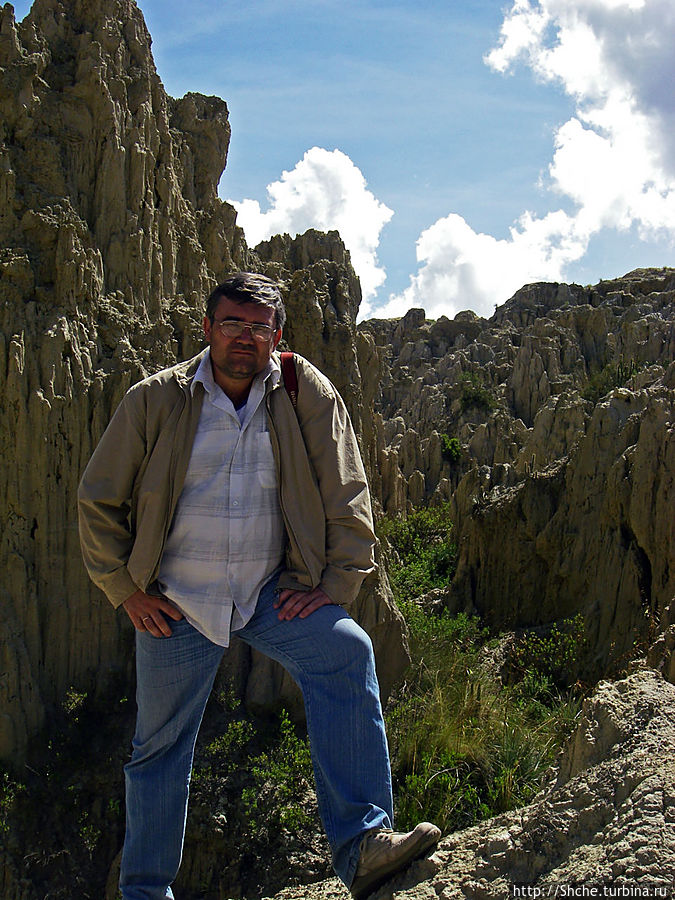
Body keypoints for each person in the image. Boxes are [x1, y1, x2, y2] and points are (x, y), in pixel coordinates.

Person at [78, 272, 440, 900]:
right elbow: (97, 500)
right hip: (177, 602)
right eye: (231, 324)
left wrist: (334, 583)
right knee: (157, 751)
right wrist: (124, 589)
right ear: (207, 329)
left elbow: (346, 491)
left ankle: (363, 846)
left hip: (270, 591)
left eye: (259, 327)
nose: (244, 339)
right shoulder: (157, 400)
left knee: (346, 652)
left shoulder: (304, 393)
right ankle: (144, 890)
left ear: (278, 334)